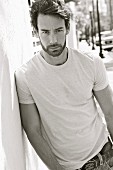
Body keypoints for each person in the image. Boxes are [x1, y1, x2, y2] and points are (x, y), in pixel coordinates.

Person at [15, 0, 113, 169]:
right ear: (36, 32)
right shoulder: (25, 76)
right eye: (45, 32)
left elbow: (110, 112)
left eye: (58, 30)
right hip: (67, 166)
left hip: (104, 154)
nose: (53, 39)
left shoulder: (91, 63)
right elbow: (33, 130)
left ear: (67, 28)